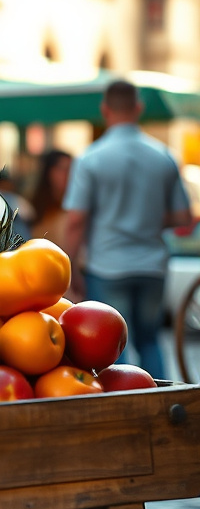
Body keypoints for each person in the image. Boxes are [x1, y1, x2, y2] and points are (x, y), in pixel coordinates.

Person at [62, 79, 192, 379]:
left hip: (107, 265)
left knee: (111, 347)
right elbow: (184, 216)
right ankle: (160, 403)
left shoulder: (90, 158)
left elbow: (75, 220)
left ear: (104, 110)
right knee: (150, 341)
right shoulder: (164, 156)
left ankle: (122, 412)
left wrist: (71, 268)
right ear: (139, 108)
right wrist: (147, 220)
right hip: (152, 265)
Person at [29, 149, 72, 241]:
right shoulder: (32, 209)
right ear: (50, 172)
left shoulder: (74, 208)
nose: (69, 175)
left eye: (72, 170)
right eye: (64, 169)